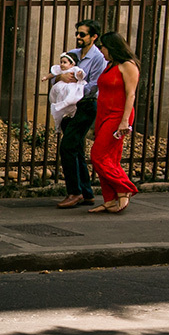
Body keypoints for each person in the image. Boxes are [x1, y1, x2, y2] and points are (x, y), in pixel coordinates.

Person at [55, 19, 108, 208]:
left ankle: (74, 192)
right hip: (70, 107)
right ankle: (86, 193)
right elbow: (58, 75)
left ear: (93, 37)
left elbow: (94, 85)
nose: (78, 36)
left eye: (82, 34)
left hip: (86, 105)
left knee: (67, 147)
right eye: (77, 33)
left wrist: (75, 88)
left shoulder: (98, 58)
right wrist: (61, 78)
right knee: (76, 148)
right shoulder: (73, 54)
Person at [88, 31, 140, 214]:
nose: (101, 50)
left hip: (118, 116)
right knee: (110, 158)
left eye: (102, 47)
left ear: (112, 47)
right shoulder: (110, 65)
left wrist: (124, 121)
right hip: (103, 114)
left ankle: (124, 188)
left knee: (98, 155)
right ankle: (110, 200)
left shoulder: (128, 66)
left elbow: (131, 95)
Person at [42, 51, 85, 133]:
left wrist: (79, 74)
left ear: (72, 64)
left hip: (71, 86)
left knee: (71, 96)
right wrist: (45, 77)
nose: (62, 64)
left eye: (65, 62)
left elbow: (80, 74)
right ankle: (60, 108)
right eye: (61, 62)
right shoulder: (60, 70)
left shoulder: (74, 69)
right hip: (61, 88)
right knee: (56, 95)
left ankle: (66, 107)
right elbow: (52, 74)